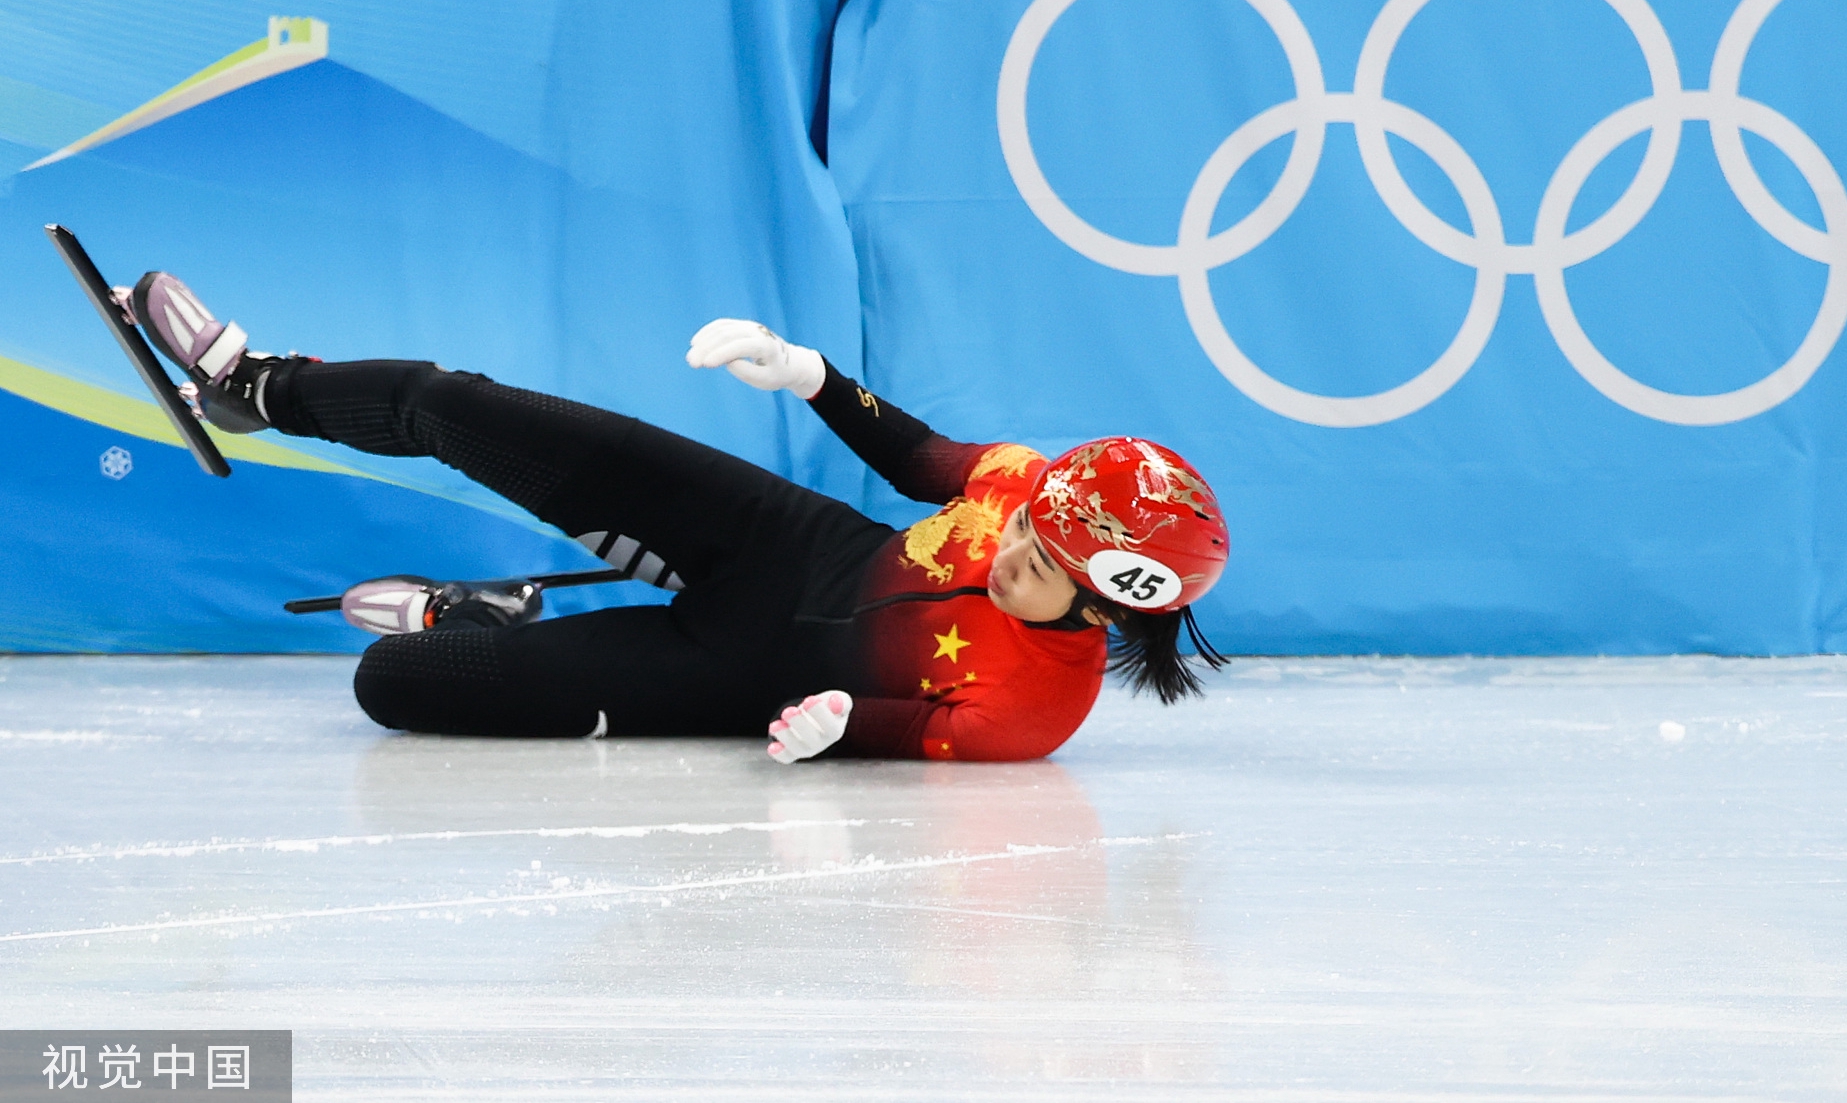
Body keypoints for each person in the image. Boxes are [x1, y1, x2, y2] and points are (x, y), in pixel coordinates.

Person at [125, 271, 1231, 762]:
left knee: (394, 688)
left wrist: (839, 730)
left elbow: (903, 729)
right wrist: (810, 376)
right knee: (454, 405)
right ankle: (258, 388)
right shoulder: (1023, 488)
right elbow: (921, 458)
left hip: (730, 668)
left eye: (1040, 565)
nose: (1009, 555)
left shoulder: (1038, 711)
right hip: (770, 537)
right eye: (1024, 530)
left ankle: (488, 620)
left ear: (1106, 602)